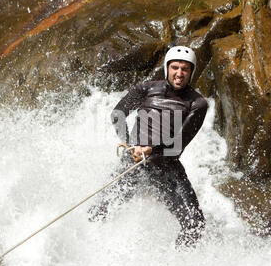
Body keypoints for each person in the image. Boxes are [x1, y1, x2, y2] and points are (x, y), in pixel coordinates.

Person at [88, 46, 208, 248]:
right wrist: (130, 145)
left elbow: (177, 146)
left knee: (195, 224)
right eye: (175, 67)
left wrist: (152, 150)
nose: (179, 73)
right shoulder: (146, 89)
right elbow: (118, 114)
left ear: (191, 71)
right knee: (99, 211)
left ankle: (176, 265)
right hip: (133, 162)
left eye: (185, 69)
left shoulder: (197, 103)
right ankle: (90, 248)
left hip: (166, 167)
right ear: (167, 67)